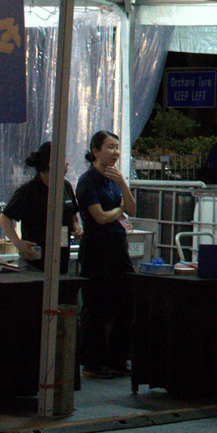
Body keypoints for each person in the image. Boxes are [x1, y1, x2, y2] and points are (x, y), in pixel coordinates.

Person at [75, 131, 136, 380]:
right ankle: (92, 362)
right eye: (110, 147)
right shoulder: (87, 181)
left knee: (127, 300)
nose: (115, 152)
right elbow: (99, 217)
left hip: (118, 247)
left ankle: (118, 359)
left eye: (117, 147)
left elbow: (132, 209)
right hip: (96, 249)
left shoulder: (114, 179)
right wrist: (119, 210)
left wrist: (123, 184)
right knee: (96, 306)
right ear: (96, 151)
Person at [2, 142, 78, 272]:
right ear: (51, 163)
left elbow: (72, 214)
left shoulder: (65, 186)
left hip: (61, 260)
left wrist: (76, 226)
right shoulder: (29, 190)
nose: (67, 163)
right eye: (63, 159)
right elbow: (4, 218)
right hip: (35, 261)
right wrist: (18, 243)